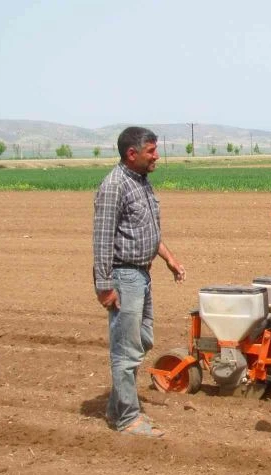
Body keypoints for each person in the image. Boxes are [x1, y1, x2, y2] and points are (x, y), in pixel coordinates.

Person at [93, 126, 186, 438]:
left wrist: (168, 258)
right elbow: (103, 240)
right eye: (151, 151)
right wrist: (105, 286)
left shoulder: (141, 183)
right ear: (132, 154)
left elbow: (146, 231)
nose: (156, 156)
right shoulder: (114, 186)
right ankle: (129, 420)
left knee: (142, 340)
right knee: (126, 350)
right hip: (123, 276)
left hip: (141, 276)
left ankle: (116, 406)